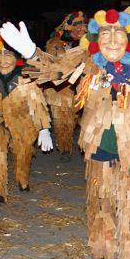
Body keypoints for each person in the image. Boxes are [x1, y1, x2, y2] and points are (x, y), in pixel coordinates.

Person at [0, 8, 130, 259]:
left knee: (129, 202)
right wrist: (30, 51)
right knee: (100, 197)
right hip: (97, 143)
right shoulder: (88, 60)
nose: (113, 40)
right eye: (106, 34)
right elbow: (56, 69)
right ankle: (102, 247)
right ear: (96, 38)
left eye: (119, 34)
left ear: (128, 37)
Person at [0, 36, 53, 202]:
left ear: (17, 57)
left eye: (7, 54)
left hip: (22, 122)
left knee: (22, 153)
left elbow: (37, 104)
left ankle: (22, 178)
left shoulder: (27, 78)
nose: (2, 60)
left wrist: (44, 129)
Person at [43, 12, 86, 160]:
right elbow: (51, 61)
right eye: (76, 24)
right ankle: (65, 148)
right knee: (63, 117)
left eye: (82, 24)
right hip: (64, 87)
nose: (80, 27)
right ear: (69, 27)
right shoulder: (57, 42)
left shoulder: (93, 42)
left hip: (88, 84)